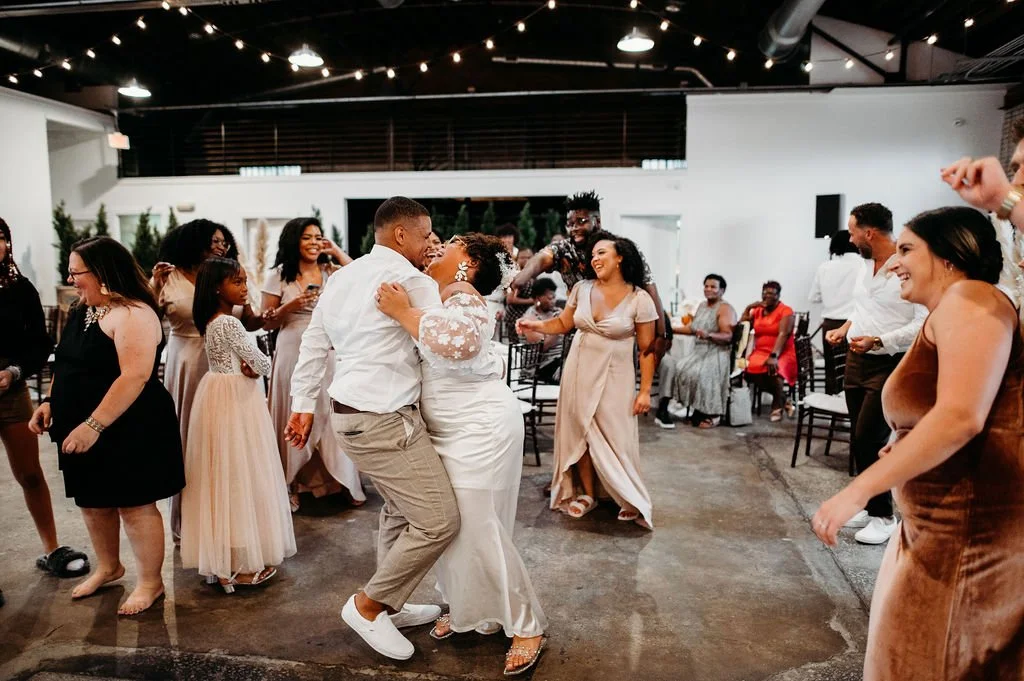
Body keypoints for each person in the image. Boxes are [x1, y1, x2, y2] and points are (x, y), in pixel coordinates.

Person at [812, 206, 1024, 681]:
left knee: (925, 661)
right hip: (935, 527)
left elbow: (961, 416)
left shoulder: (972, 299)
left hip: (967, 538)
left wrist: (858, 490)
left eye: (906, 250)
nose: (893, 263)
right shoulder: (950, 310)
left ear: (950, 258)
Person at [287, 197, 458, 661]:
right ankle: (368, 606)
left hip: (346, 416)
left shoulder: (340, 278)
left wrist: (302, 405)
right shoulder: (412, 280)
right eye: (426, 235)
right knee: (440, 520)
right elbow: (443, 347)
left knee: (401, 511)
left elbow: (313, 345)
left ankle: (390, 605)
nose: (430, 245)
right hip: (385, 420)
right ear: (401, 234)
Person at [376, 232, 548, 676]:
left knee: (478, 526)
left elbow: (462, 344)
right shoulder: (440, 293)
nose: (438, 245)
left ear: (467, 262)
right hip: (447, 429)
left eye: (450, 242)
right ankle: (474, 610)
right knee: (454, 527)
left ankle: (526, 625)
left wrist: (403, 313)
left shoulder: (462, 293)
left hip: (479, 427)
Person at [29, 236, 184, 616]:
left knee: (134, 504)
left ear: (101, 272)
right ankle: (109, 566)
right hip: (78, 422)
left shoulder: (135, 313)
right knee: (93, 502)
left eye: (75, 272)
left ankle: (151, 582)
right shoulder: (82, 310)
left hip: (128, 423)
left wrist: (92, 426)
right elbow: (64, 363)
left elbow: (134, 377)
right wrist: (50, 402)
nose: (71, 279)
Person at [518, 231, 658, 529]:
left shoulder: (639, 298)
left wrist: (645, 390)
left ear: (620, 256)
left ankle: (627, 495)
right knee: (578, 429)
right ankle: (588, 494)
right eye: (592, 255)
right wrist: (536, 324)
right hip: (579, 369)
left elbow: (647, 349)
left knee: (616, 435)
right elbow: (564, 323)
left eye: (602, 253)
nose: (595, 259)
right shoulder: (581, 288)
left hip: (616, 376)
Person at [181, 257, 296, 593]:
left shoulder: (210, 320)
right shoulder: (230, 324)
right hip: (236, 400)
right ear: (218, 287)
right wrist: (258, 361)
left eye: (245, 281)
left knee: (222, 477)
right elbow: (261, 363)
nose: (245, 288)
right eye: (238, 282)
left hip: (217, 391)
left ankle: (223, 561)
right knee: (242, 474)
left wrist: (249, 363)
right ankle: (243, 567)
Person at [151, 219, 265, 541]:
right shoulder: (168, 277)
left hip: (231, 366)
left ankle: (229, 521)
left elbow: (250, 320)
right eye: (214, 241)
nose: (221, 246)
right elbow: (146, 316)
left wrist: (262, 316)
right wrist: (153, 285)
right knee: (190, 439)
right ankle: (191, 525)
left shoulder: (229, 276)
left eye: (223, 241)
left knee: (229, 444)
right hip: (189, 362)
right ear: (193, 241)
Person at [825, 203, 926, 546]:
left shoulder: (907, 265)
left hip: (890, 363)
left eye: (853, 232)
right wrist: (845, 328)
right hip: (857, 359)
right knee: (858, 435)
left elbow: (923, 322)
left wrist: (880, 340)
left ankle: (884, 517)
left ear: (869, 233)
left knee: (871, 436)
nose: (850, 239)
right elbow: (862, 307)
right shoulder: (864, 267)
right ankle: (869, 506)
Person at [0, 218, 90, 579]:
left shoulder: (19, 288)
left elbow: (39, 344)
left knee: (31, 474)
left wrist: (13, 373)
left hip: (11, 389)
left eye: (2, 237)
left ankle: (51, 549)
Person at [261, 217, 364, 512]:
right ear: (294, 240)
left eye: (318, 237)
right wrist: (289, 306)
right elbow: (266, 320)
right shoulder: (279, 275)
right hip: (292, 344)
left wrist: (335, 251)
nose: (314, 242)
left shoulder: (331, 271)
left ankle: (341, 481)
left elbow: (359, 274)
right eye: (307, 237)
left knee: (329, 414)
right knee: (297, 411)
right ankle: (292, 483)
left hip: (329, 349)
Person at [512, 191, 667, 354]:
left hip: (615, 336)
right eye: (570, 223)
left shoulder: (621, 249)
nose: (574, 228)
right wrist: (523, 277)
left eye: (581, 221)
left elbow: (650, 289)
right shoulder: (565, 250)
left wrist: (662, 333)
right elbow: (542, 258)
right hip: (577, 337)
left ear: (597, 221)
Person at [661, 274, 737, 429]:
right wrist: (670, 330)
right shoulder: (702, 305)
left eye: (713, 287)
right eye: (706, 286)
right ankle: (697, 410)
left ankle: (712, 414)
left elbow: (728, 336)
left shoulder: (725, 308)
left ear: (721, 290)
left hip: (717, 351)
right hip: (699, 351)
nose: (708, 289)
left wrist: (709, 335)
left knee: (700, 373)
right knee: (681, 367)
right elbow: (692, 329)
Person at [809, 231, 862, 392]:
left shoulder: (825, 267)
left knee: (832, 371)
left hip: (830, 325)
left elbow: (813, 297)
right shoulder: (864, 264)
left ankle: (832, 406)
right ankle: (851, 410)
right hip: (856, 323)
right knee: (856, 370)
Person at [741, 281, 797, 422]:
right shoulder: (758, 311)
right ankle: (784, 399)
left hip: (783, 351)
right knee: (747, 370)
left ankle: (777, 405)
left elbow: (783, 334)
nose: (767, 296)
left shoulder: (786, 311)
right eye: (765, 293)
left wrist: (774, 355)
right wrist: (749, 308)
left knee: (774, 368)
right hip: (760, 351)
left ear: (778, 295)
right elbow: (743, 326)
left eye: (771, 294)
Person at [518, 277, 564, 383]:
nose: (554, 301)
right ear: (538, 298)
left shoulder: (556, 312)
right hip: (540, 368)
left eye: (554, 297)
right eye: (550, 298)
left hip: (559, 360)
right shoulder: (529, 319)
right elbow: (542, 346)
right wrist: (559, 324)